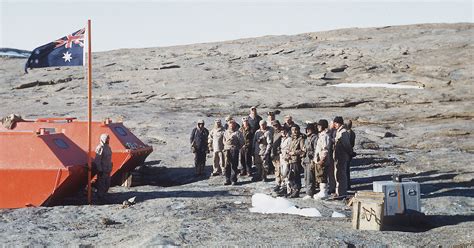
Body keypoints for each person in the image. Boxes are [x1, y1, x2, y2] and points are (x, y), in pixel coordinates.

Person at [332, 116, 353, 198]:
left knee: (341, 174)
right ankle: (338, 192)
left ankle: (342, 192)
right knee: (338, 174)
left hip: (342, 156)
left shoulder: (343, 132)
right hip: (338, 155)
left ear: (339, 123)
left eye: (336, 123)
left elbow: (347, 145)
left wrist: (350, 153)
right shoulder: (339, 131)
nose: (334, 125)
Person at [314, 119, 333, 199]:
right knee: (320, 174)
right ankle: (322, 191)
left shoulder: (325, 136)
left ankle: (324, 192)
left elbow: (325, 149)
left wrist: (322, 159)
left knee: (322, 175)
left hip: (323, 159)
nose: (318, 127)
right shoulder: (321, 135)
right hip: (319, 158)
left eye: (319, 126)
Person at [223, 120, 244, 185]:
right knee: (227, 165)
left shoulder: (238, 132)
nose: (231, 126)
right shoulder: (226, 132)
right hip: (227, 150)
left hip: (234, 149)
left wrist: (237, 147)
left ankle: (233, 180)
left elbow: (242, 141)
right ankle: (227, 179)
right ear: (229, 125)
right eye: (230, 125)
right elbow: (223, 141)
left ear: (235, 125)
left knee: (234, 165)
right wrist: (226, 145)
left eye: (233, 125)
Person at [287, 126, 305, 198]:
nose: (294, 131)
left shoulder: (301, 139)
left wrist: (293, 152)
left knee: (296, 176)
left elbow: (303, 150)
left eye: (295, 130)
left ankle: (296, 190)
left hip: (296, 160)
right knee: (290, 176)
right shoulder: (292, 139)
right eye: (293, 130)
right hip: (290, 159)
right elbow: (289, 148)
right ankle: (292, 189)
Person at [94, 133, 113, 201]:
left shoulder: (108, 147)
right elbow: (97, 160)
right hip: (102, 170)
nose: (108, 140)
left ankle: (104, 195)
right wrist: (100, 170)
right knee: (101, 185)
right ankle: (100, 197)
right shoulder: (100, 148)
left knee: (107, 184)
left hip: (108, 169)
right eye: (107, 138)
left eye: (108, 138)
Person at [302, 122, 318, 200]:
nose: (308, 131)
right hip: (306, 159)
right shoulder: (307, 138)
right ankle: (308, 191)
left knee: (310, 177)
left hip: (311, 160)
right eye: (307, 129)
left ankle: (310, 193)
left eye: (309, 129)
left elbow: (315, 150)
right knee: (306, 177)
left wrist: (313, 158)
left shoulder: (315, 138)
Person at [277, 127, 292, 196]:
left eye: (284, 132)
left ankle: (288, 189)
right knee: (282, 173)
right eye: (282, 132)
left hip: (286, 158)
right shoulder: (282, 139)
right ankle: (283, 188)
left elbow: (289, 148)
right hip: (282, 158)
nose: (283, 133)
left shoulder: (289, 139)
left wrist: (287, 155)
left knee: (286, 174)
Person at [271, 120, 284, 191]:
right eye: (274, 125)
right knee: (276, 169)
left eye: (276, 125)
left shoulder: (282, 132)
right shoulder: (273, 133)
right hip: (274, 153)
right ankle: (278, 183)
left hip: (279, 153)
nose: (275, 127)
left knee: (280, 169)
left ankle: (282, 184)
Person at [346, 119, 356, 190]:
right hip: (350, 152)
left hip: (347, 152)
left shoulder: (347, 133)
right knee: (347, 169)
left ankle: (347, 185)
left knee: (345, 170)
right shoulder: (352, 133)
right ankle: (348, 184)